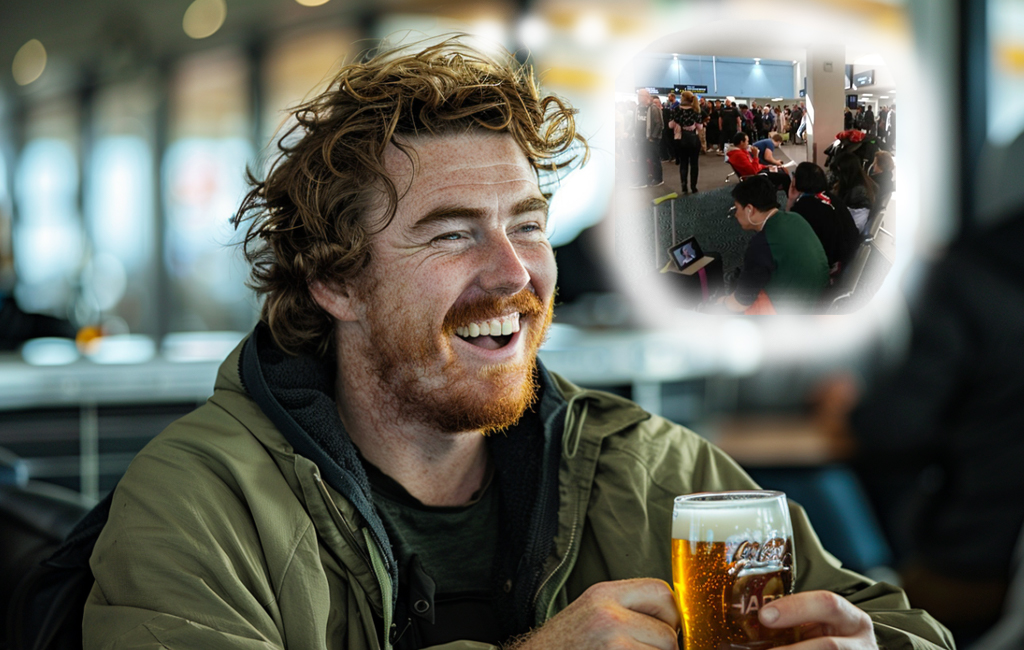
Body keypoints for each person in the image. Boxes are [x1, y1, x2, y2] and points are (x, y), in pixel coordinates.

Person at [78, 38, 952, 650]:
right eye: (451, 234)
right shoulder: (198, 502)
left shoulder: (648, 469)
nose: (514, 276)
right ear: (334, 280)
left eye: (527, 226)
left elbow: (904, 627)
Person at [720, 175, 830, 315]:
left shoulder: (761, 245)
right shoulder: (796, 218)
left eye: (736, 208)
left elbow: (740, 303)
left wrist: (722, 301)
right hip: (821, 296)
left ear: (750, 209)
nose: (735, 214)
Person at [787, 162, 862, 273]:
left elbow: (787, 230)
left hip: (830, 266)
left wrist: (790, 200)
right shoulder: (830, 197)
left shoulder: (804, 207)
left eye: (794, 175)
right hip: (850, 258)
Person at [726, 132, 791, 193]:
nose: (748, 143)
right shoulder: (739, 155)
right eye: (747, 141)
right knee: (785, 177)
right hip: (756, 177)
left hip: (756, 172)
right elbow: (753, 171)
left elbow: (752, 165)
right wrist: (755, 156)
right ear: (741, 142)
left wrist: (766, 166)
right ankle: (790, 196)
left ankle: (773, 190)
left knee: (779, 170)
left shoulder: (739, 152)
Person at [831, 152, 878, 234]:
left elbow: (843, 212)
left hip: (850, 231)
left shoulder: (857, 192)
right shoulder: (863, 182)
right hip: (851, 226)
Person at [668, 90, 703, 194]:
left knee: (683, 164)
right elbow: (700, 127)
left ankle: (684, 185)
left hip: (680, 140)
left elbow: (670, 125)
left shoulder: (676, 110)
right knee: (694, 164)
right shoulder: (696, 110)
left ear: (683, 98)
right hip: (693, 140)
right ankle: (694, 187)